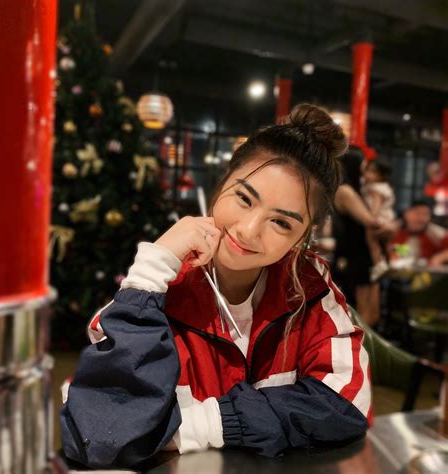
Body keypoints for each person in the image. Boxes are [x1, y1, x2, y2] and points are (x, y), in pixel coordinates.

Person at [61, 104, 372, 469]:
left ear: (303, 236)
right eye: (244, 198)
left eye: (282, 223)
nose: (248, 231)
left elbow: (347, 402)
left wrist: (203, 424)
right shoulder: (157, 287)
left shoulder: (306, 286)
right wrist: (152, 265)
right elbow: (97, 433)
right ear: (223, 182)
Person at [332, 147, 394, 326]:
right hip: (355, 257)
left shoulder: (357, 190)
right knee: (363, 316)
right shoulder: (345, 191)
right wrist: (390, 226)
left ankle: (364, 344)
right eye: (363, 167)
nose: (365, 172)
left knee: (371, 315)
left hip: (362, 256)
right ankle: (359, 345)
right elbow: (370, 221)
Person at [361, 159, 396, 281]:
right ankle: (388, 262)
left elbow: (376, 205)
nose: (367, 174)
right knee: (385, 243)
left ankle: (378, 263)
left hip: (380, 217)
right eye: (367, 170)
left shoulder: (376, 189)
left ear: (382, 176)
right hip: (387, 217)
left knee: (371, 238)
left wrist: (371, 218)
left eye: (373, 172)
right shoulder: (381, 187)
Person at [391, 199, 448, 266]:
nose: (421, 218)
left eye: (425, 214)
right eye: (417, 213)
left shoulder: (437, 233)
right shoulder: (396, 230)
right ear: (406, 214)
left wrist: (439, 258)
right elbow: (395, 251)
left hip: (429, 269)